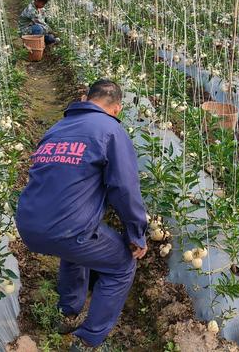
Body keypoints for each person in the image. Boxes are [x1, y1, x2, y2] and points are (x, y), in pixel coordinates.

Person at [15, 80, 148, 350]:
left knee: (76, 249)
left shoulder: (57, 128)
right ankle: (89, 340)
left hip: (28, 224)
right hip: (66, 229)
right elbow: (124, 188)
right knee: (122, 266)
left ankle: (68, 311)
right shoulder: (110, 130)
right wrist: (136, 233)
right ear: (117, 109)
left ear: (86, 98)